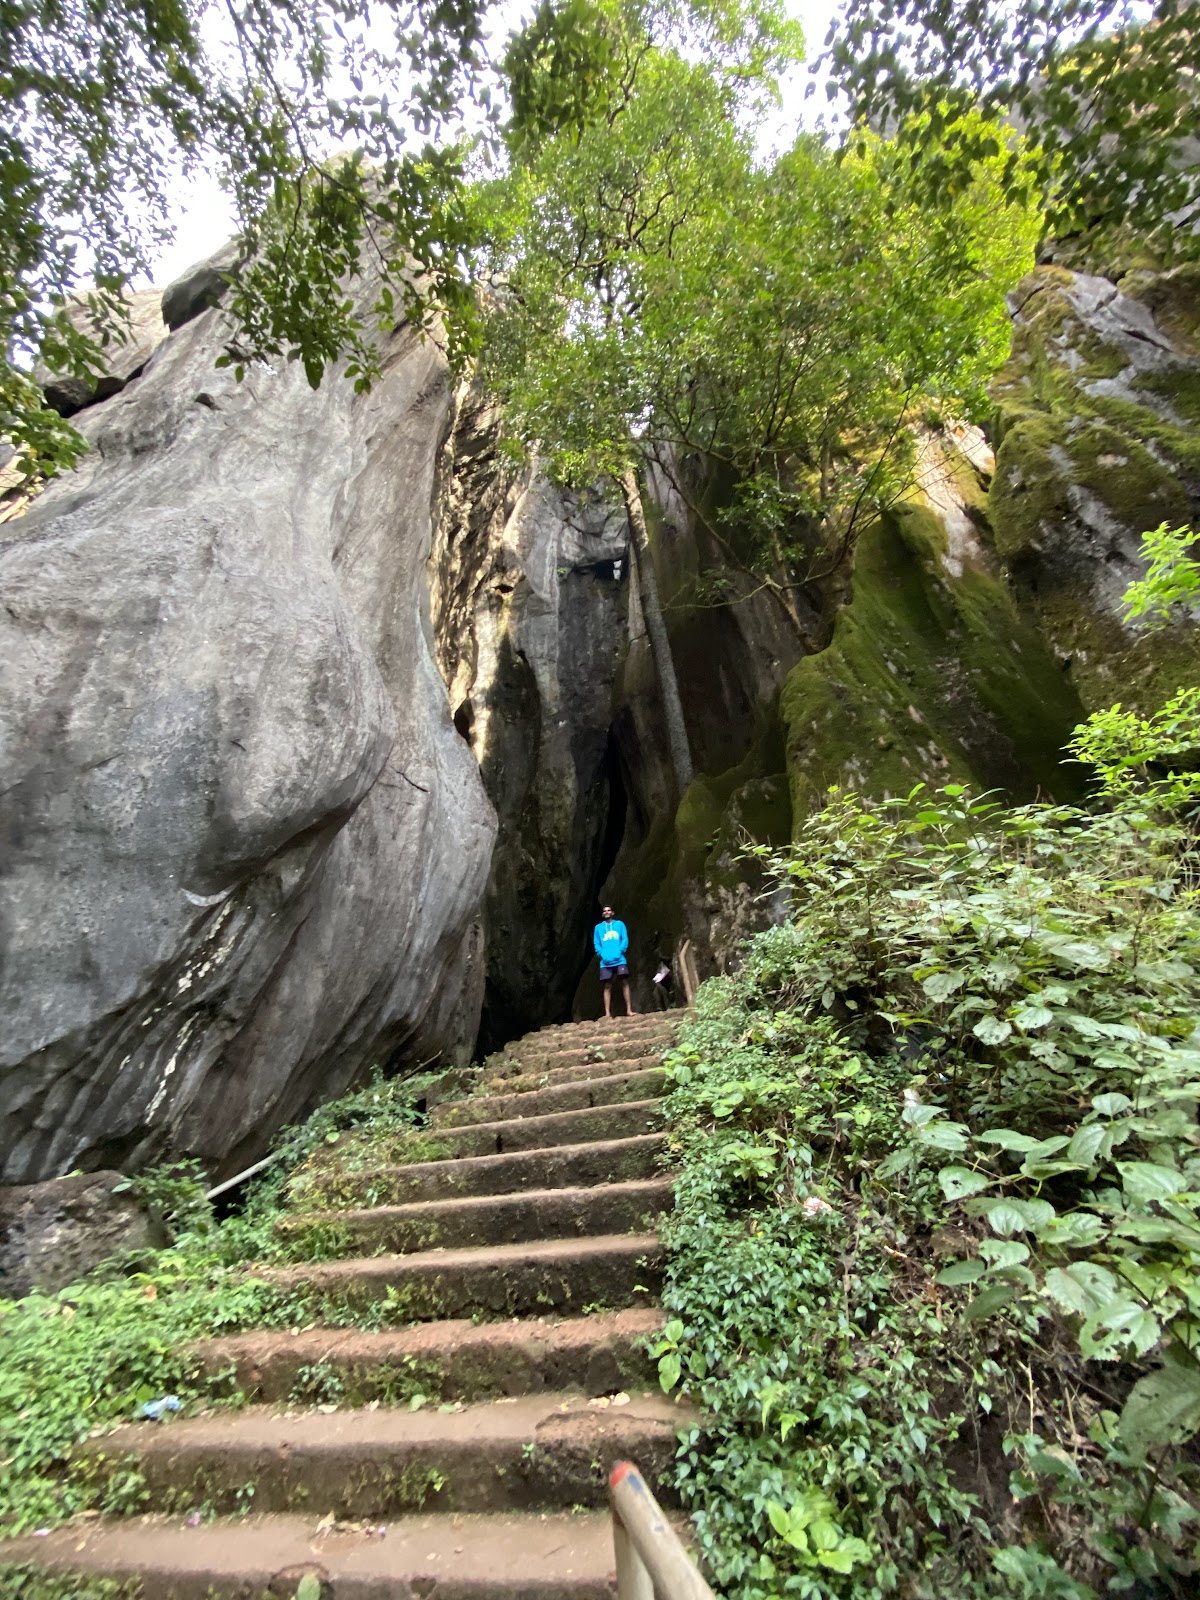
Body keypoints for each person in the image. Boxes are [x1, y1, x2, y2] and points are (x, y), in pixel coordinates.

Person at [594, 904, 636, 1018]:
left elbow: (624, 939)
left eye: (609, 910)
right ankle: (607, 1013)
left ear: (612, 913)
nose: (607, 912)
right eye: (605, 911)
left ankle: (629, 1010)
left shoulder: (619, 925)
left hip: (619, 959)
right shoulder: (598, 928)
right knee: (607, 986)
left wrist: (620, 951)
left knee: (624, 982)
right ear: (603, 914)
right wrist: (602, 954)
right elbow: (596, 943)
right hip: (605, 961)